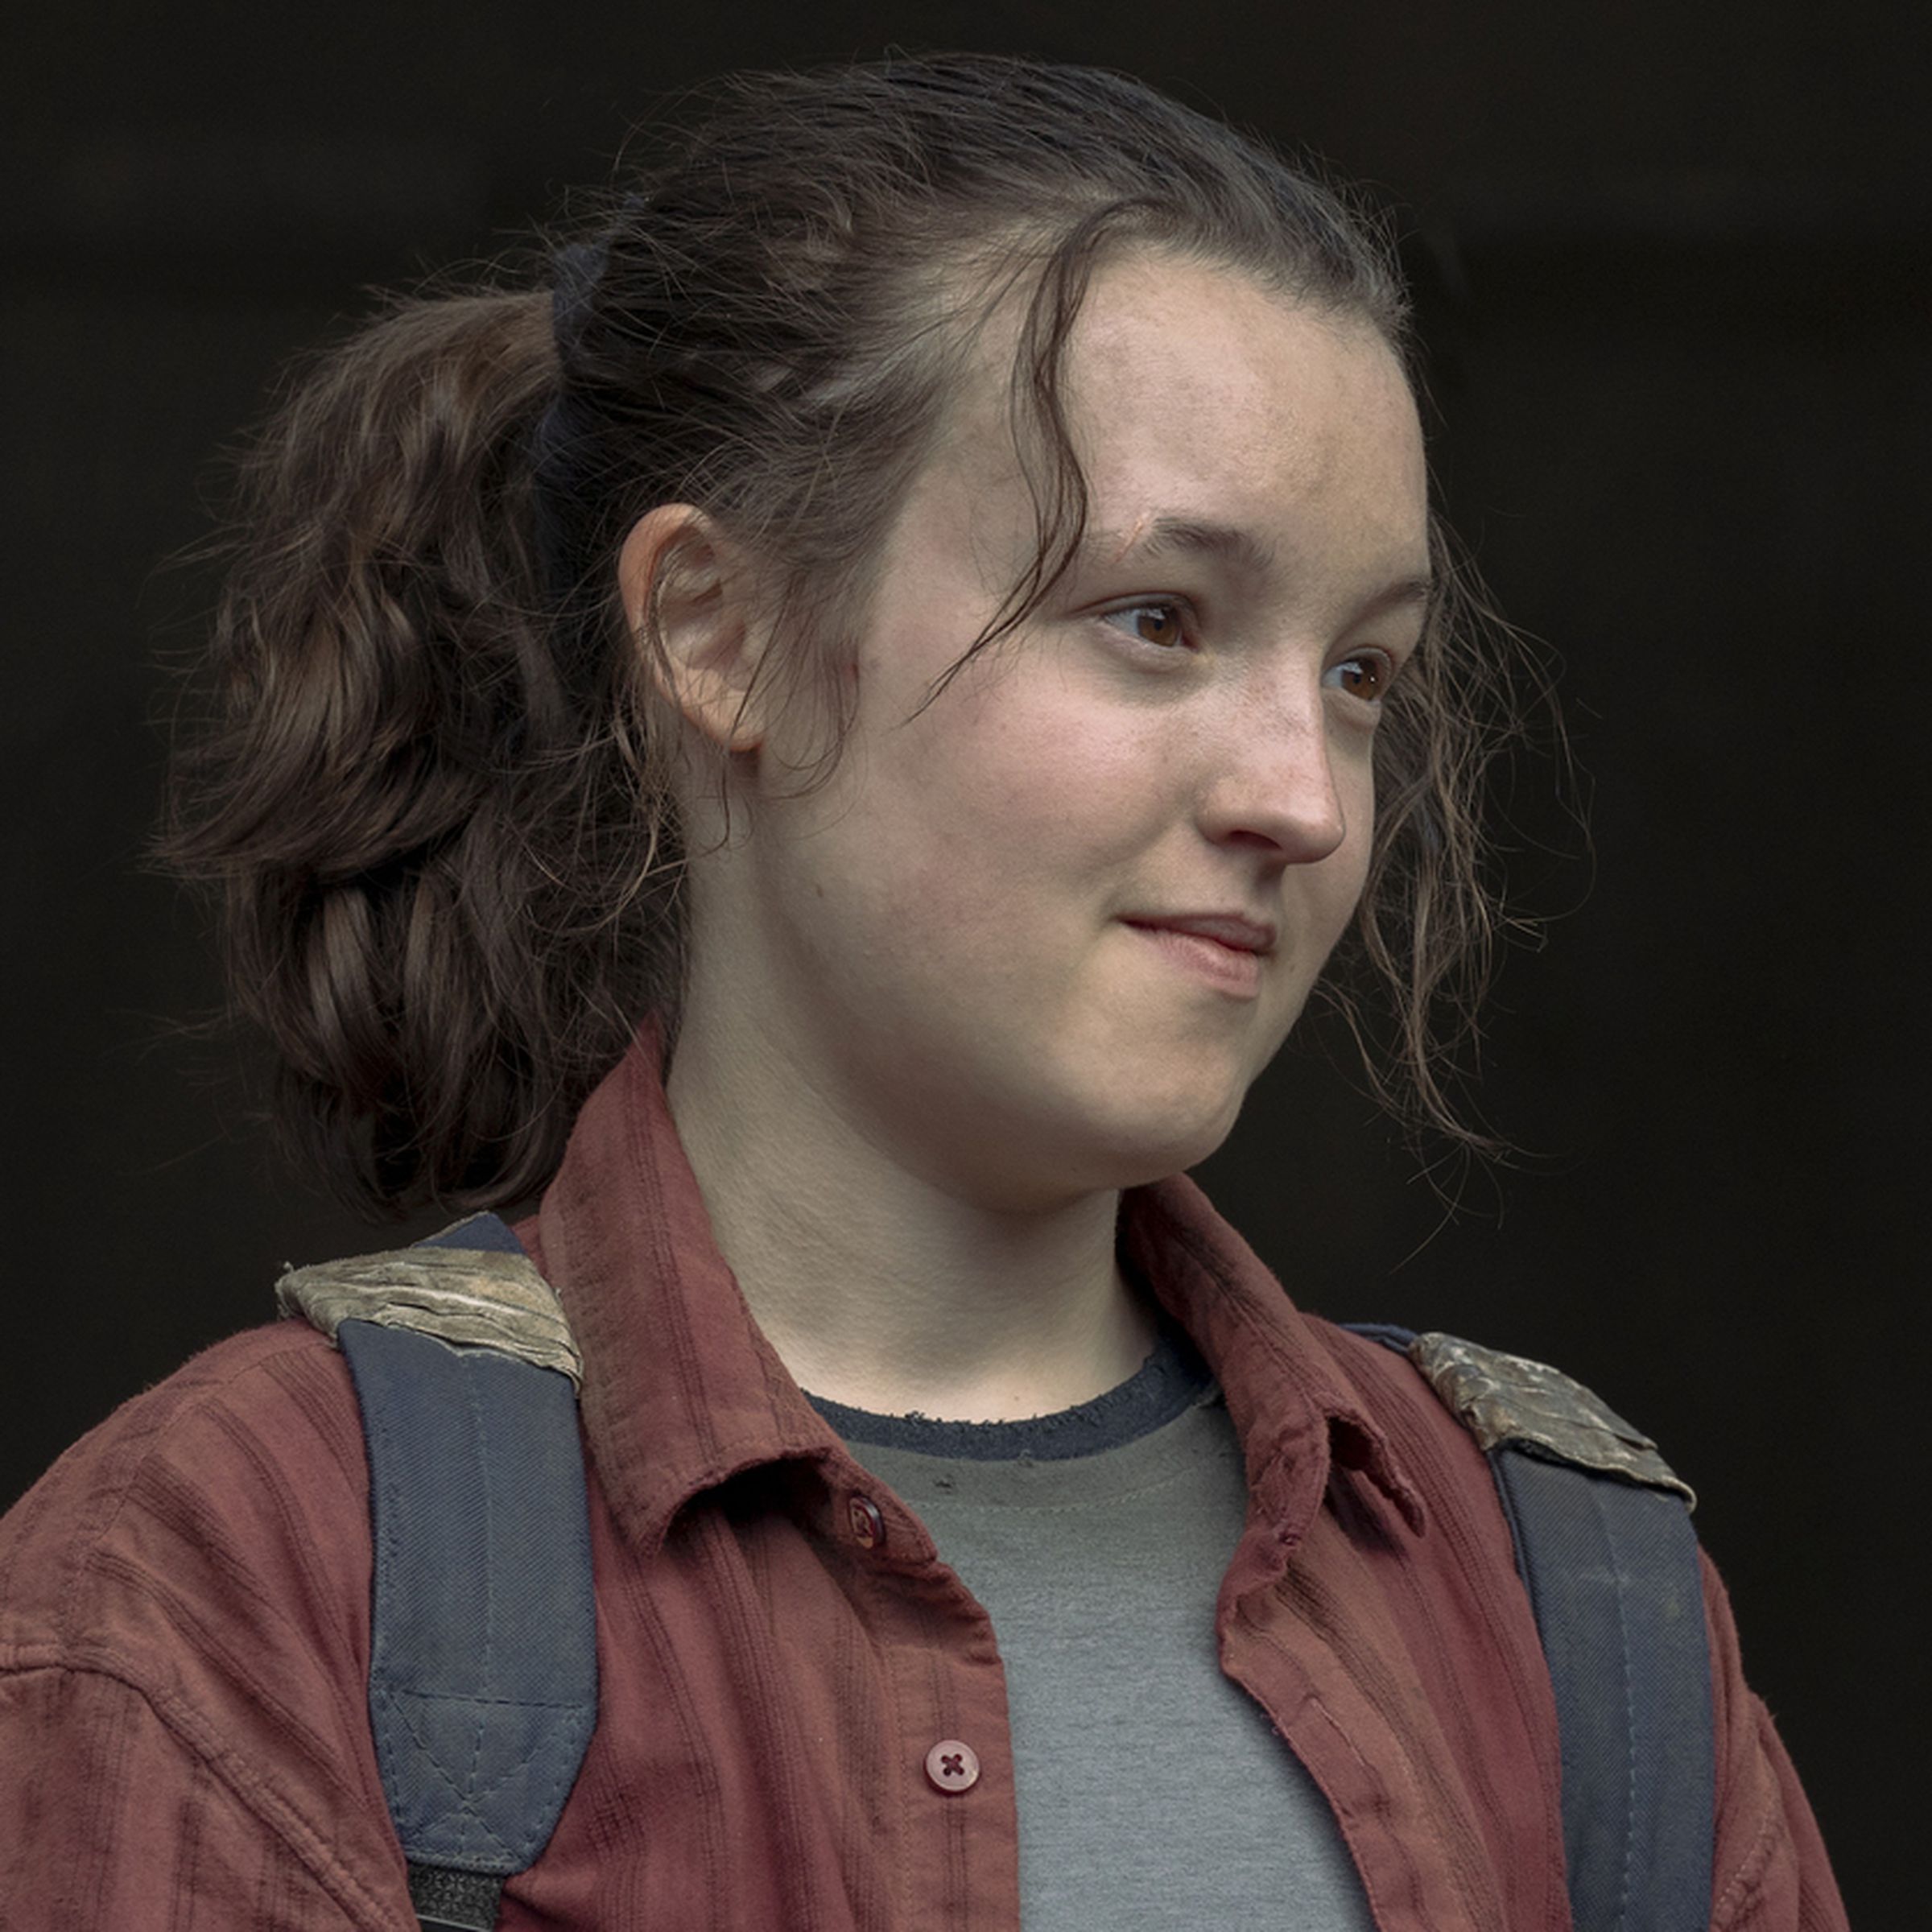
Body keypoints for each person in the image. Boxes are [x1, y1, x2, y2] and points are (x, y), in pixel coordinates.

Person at [0, 52, 1843, 1931]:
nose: (1301, 793)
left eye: (1363, 674)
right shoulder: (249, 1570)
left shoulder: (1569, 1596)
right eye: (1157, 622)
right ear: (723, 636)